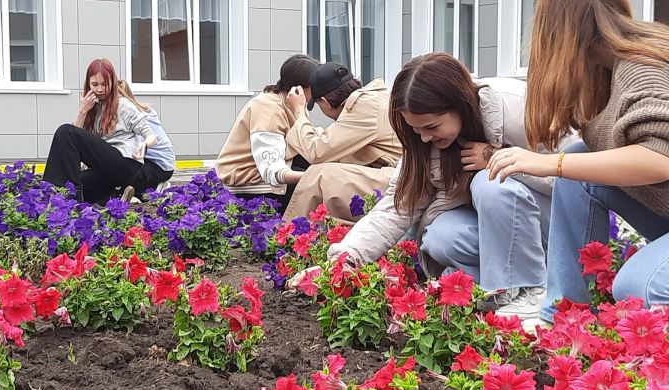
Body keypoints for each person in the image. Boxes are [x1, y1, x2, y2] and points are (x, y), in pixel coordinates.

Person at [328, 53, 576, 319]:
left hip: (551, 225)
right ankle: (493, 287)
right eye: (416, 130)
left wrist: (499, 156)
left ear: (459, 104)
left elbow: (575, 175)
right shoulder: (427, 145)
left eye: (431, 127)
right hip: (505, 236)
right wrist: (346, 257)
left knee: (489, 181)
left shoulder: (518, 107)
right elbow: (395, 208)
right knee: (441, 236)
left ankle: (529, 289)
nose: (424, 138)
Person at [487, 0, 669, 323]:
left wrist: (550, 164)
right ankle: (565, 319)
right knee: (578, 164)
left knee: (640, 286)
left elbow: (659, 159)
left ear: (563, 33)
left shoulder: (641, 65)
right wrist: (563, 166)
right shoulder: (612, 71)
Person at [280, 62, 403, 222]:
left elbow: (317, 152)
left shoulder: (365, 107)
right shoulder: (373, 99)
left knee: (319, 175)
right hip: (399, 175)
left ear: (324, 101)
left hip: (398, 181)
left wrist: (299, 111)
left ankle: (290, 235)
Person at [43, 59, 157, 203]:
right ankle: (116, 196)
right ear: (88, 85)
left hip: (126, 163)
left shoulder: (124, 105)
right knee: (76, 181)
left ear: (112, 83)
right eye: (95, 84)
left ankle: (63, 200)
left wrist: (144, 145)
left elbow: (151, 135)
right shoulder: (93, 108)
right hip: (106, 169)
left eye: (105, 84)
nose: (100, 89)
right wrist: (83, 110)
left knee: (65, 131)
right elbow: (72, 144)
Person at [215, 54, 318, 214]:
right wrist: (316, 177)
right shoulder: (269, 109)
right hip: (246, 179)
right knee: (314, 188)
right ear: (299, 88)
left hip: (267, 169)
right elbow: (273, 170)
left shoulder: (293, 103)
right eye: (315, 86)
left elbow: (307, 143)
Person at [117, 80, 176, 197]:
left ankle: (155, 188)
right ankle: (141, 193)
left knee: (126, 175)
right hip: (157, 160)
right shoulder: (139, 109)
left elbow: (133, 149)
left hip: (160, 165)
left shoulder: (134, 115)